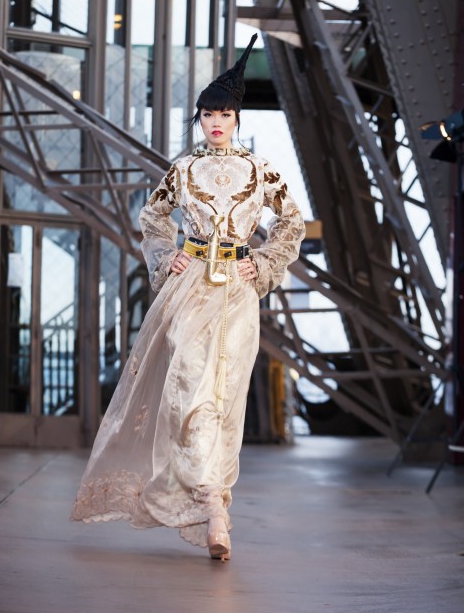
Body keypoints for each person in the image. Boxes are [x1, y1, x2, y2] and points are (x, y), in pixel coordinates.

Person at [70, 34, 305, 561]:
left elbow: (291, 222)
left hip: (239, 294)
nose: (216, 122)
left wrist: (262, 262)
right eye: (207, 114)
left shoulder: (260, 172)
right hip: (190, 287)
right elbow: (153, 217)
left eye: (224, 113)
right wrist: (164, 255)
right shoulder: (183, 170)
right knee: (189, 390)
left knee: (224, 400)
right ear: (198, 120)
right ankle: (212, 506)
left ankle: (216, 505)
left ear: (237, 118)